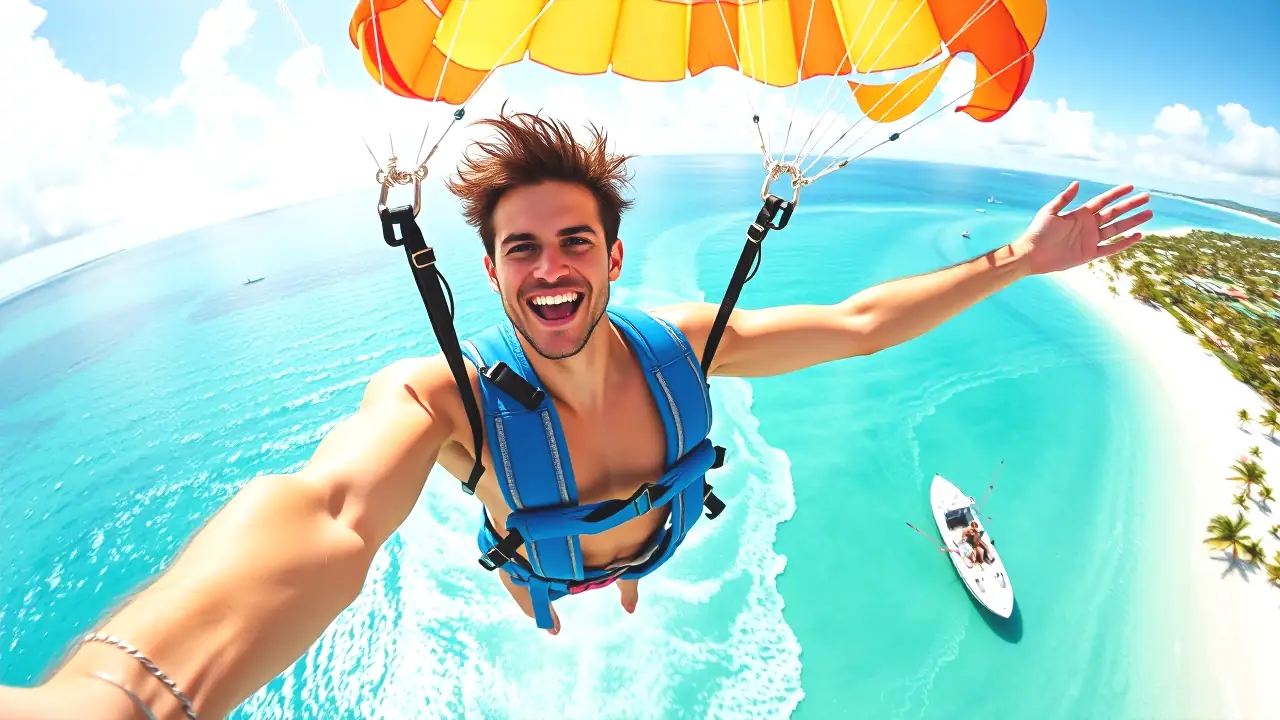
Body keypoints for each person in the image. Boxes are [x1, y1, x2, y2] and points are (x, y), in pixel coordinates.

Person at [0, 108, 1153, 719]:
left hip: (652, 534)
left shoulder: (684, 346)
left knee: (630, 562)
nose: (549, 269)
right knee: (542, 587)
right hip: (540, 562)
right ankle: (557, 592)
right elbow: (325, 515)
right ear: (490, 273)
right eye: (521, 250)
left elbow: (855, 323)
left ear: (611, 256)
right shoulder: (438, 398)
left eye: (571, 242)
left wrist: (1016, 257)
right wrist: (118, 696)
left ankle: (619, 577)